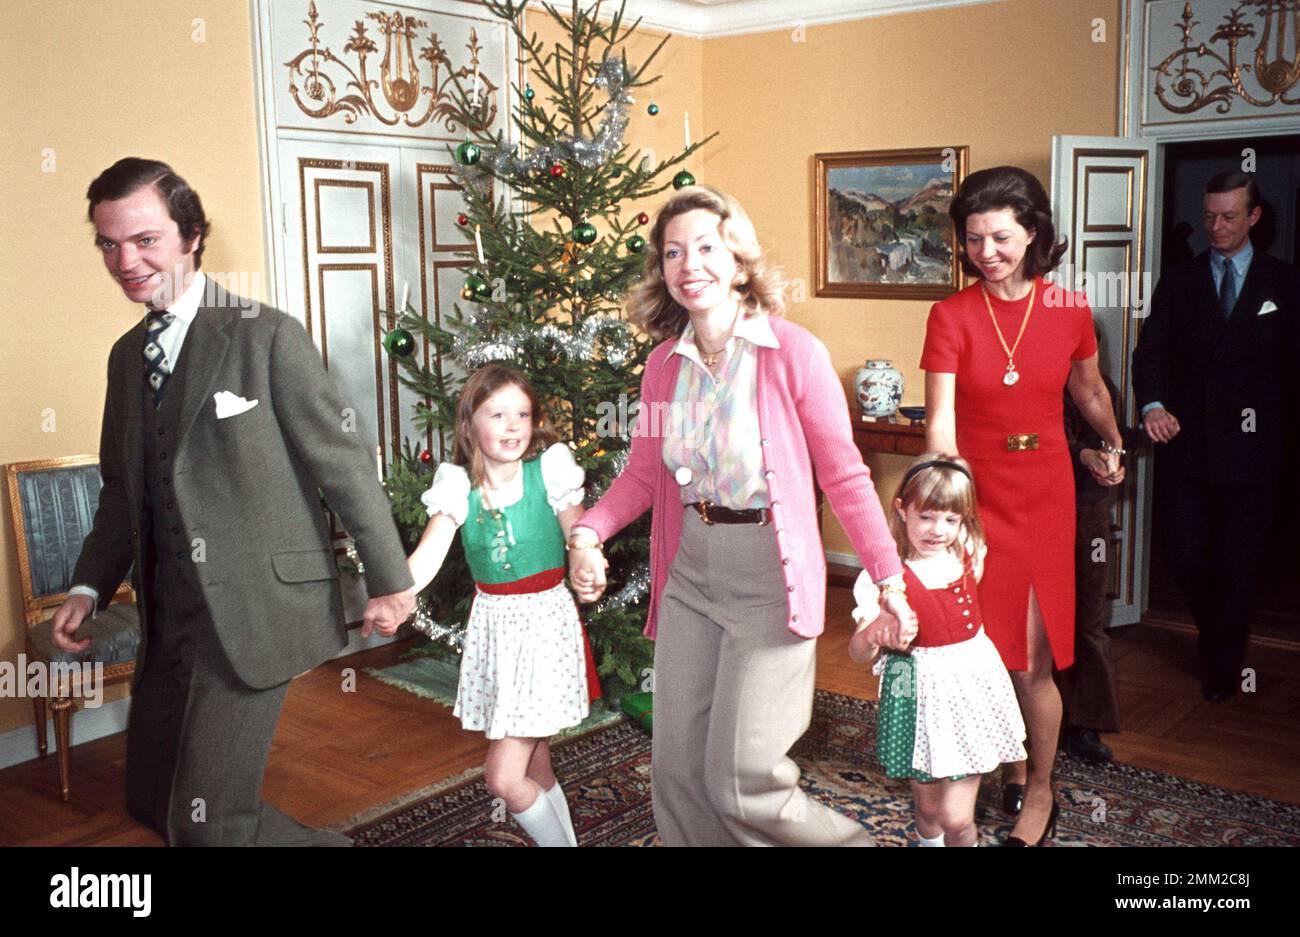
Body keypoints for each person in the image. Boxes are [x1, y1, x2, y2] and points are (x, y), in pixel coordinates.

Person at [49, 157, 415, 846]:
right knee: (153, 801)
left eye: (145, 239)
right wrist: (88, 585)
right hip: (169, 614)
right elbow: (123, 489)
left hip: (254, 607)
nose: (125, 260)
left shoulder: (265, 334)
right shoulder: (126, 358)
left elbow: (343, 466)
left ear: (190, 235)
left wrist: (392, 581)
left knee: (207, 820)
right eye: (108, 243)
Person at [567, 185, 915, 846]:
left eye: (705, 245)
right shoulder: (663, 367)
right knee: (677, 768)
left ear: (737, 257)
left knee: (743, 778)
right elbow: (644, 473)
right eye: (673, 252)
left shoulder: (793, 354)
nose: (688, 263)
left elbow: (844, 475)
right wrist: (588, 531)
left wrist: (890, 582)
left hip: (769, 575)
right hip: (691, 570)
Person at [921, 166, 1124, 846]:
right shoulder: (949, 315)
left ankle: (1039, 785)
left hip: (1043, 494)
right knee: (979, 645)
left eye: (1001, 237)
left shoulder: (1069, 310)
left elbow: (1089, 390)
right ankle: (1001, 761)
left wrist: (1110, 439)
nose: (986, 252)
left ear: (1034, 233)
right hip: (978, 501)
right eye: (973, 239)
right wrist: (949, 510)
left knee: (1034, 657)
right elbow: (941, 424)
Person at [405, 365, 594, 847]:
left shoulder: (550, 470)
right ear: (468, 425)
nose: (512, 426)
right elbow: (427, 557)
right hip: (496, 630)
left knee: (504, 780)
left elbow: (580, 533)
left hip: (544, 628)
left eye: (522, 414)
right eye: (497, 414)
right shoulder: (457, 489)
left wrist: (586, 560)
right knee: (536, 764)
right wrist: (395, 591)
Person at [1132, 171, 1299, 702]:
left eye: (1229, 216)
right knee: (1183, 553)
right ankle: (1217, 630)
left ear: (1254, 217)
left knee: (1239, 561)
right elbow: (1150, 352)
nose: (1216, 226)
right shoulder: (1180, 280)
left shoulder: (1286, 283)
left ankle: (1223, 664)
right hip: (1188, 446)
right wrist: (1154, 405)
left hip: (1256, 453)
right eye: (1209, 216)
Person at [850, 455, 1027, 847]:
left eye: (951, 519)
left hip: (968, 689)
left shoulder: (967, 549)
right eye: (927, 517)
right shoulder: (881, 577)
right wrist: (875, 633)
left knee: (954, 817)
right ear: (902, 509)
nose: (938, 530)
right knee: (929, 813)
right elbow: (858, 652)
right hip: (911, 693)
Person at [1057, 370, 1145, 761]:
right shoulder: (1035, 378)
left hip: (1088, 515)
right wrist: (1084, 455)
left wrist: (1117, 459)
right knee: (1039, 623)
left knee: (1087, 622)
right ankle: (1036, 722)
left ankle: (1085, 724)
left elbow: (1114, 440)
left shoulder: (1102, 387)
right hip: (1038, 509)